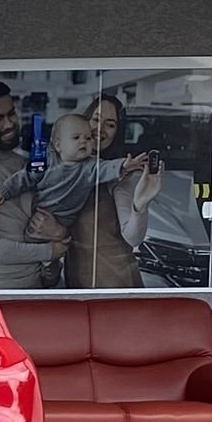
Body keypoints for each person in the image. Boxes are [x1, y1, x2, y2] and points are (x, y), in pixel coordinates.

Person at [64, 93, 165, 289]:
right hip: (76, 280)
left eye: (110, 125)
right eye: (96, 119)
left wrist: (140, 205)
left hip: (114, 284)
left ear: (117, 133)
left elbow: (133, 237)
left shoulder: (122, 174)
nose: (100, 129)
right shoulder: (66, 168)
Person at [0, 80, 67, 289]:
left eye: (11, 113)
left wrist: (57, 238)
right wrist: (50, 251)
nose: (9, 124)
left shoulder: (25, 163)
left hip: (40, 288)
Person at [0, 112, 150, 222]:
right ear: (58, 145)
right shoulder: (47, 161)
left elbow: (106, 168)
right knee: (33, 237)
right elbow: (24, 177)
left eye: (88, 138)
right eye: (76, 137)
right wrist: (5, 191)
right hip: (39, 213)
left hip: (66, 220)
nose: (84, 141)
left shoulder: (89, 166)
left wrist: (124, 165)